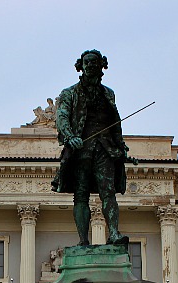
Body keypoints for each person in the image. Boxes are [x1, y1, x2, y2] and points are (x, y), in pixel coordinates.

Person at [52, 49, 130, 246]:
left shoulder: (108, 93)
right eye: (87, 63)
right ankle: (83, 240)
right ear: (81, 66)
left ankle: (113, 233)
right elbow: (62, 116)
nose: (91, 66)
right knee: (81, 194)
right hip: (81, 150)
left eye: (94, 63)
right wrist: (70, 136)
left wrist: (121, 146)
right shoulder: (69, 93)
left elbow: (115, 122)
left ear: (101, 66)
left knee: (108, 192)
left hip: (105, 148)